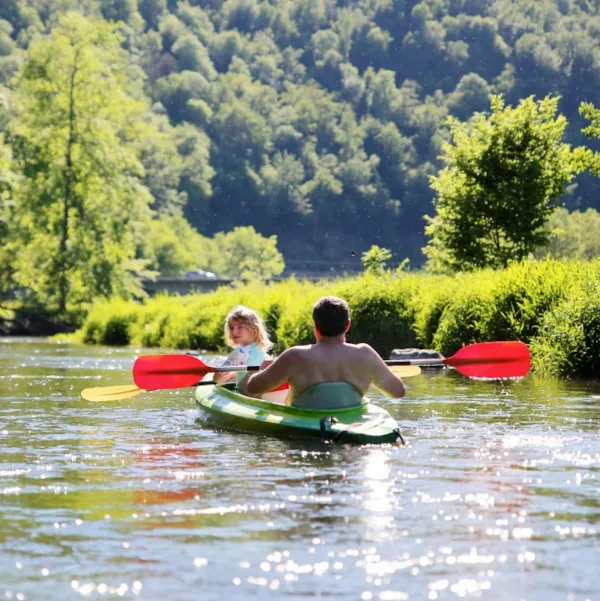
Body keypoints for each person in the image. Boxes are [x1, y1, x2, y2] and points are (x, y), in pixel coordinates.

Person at [239, 296, 405, 408]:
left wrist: (262, 368)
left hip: (303, 430)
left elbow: (253, 387)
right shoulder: (366, 354)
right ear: (347, 325)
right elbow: (398, 392)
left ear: (315, 326)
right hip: (349, 425)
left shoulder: (294, 356)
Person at [213, 305, 273, 385]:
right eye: (231, 328)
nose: (234, 332)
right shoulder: (260, 350)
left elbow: (218, 379)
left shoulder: (240, 352)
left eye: (240, 327)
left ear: (254, 328)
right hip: (258, 389)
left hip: (245, 391)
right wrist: (232, 375)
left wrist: (216, 374)